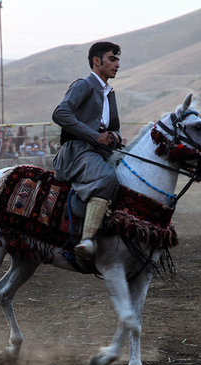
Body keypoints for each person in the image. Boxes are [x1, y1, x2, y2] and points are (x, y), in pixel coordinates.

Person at [52, 41, 122, 260]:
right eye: (113, 59)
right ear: (96, 61)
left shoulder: (109, 93)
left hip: (99, 151)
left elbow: (114, 127)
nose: (117, 64)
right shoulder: (83, 85)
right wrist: (94, 136)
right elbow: (60, 114)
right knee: (108, 177)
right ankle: (87, 240)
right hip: (77, 151)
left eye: (118, 59)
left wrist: (115, 137)